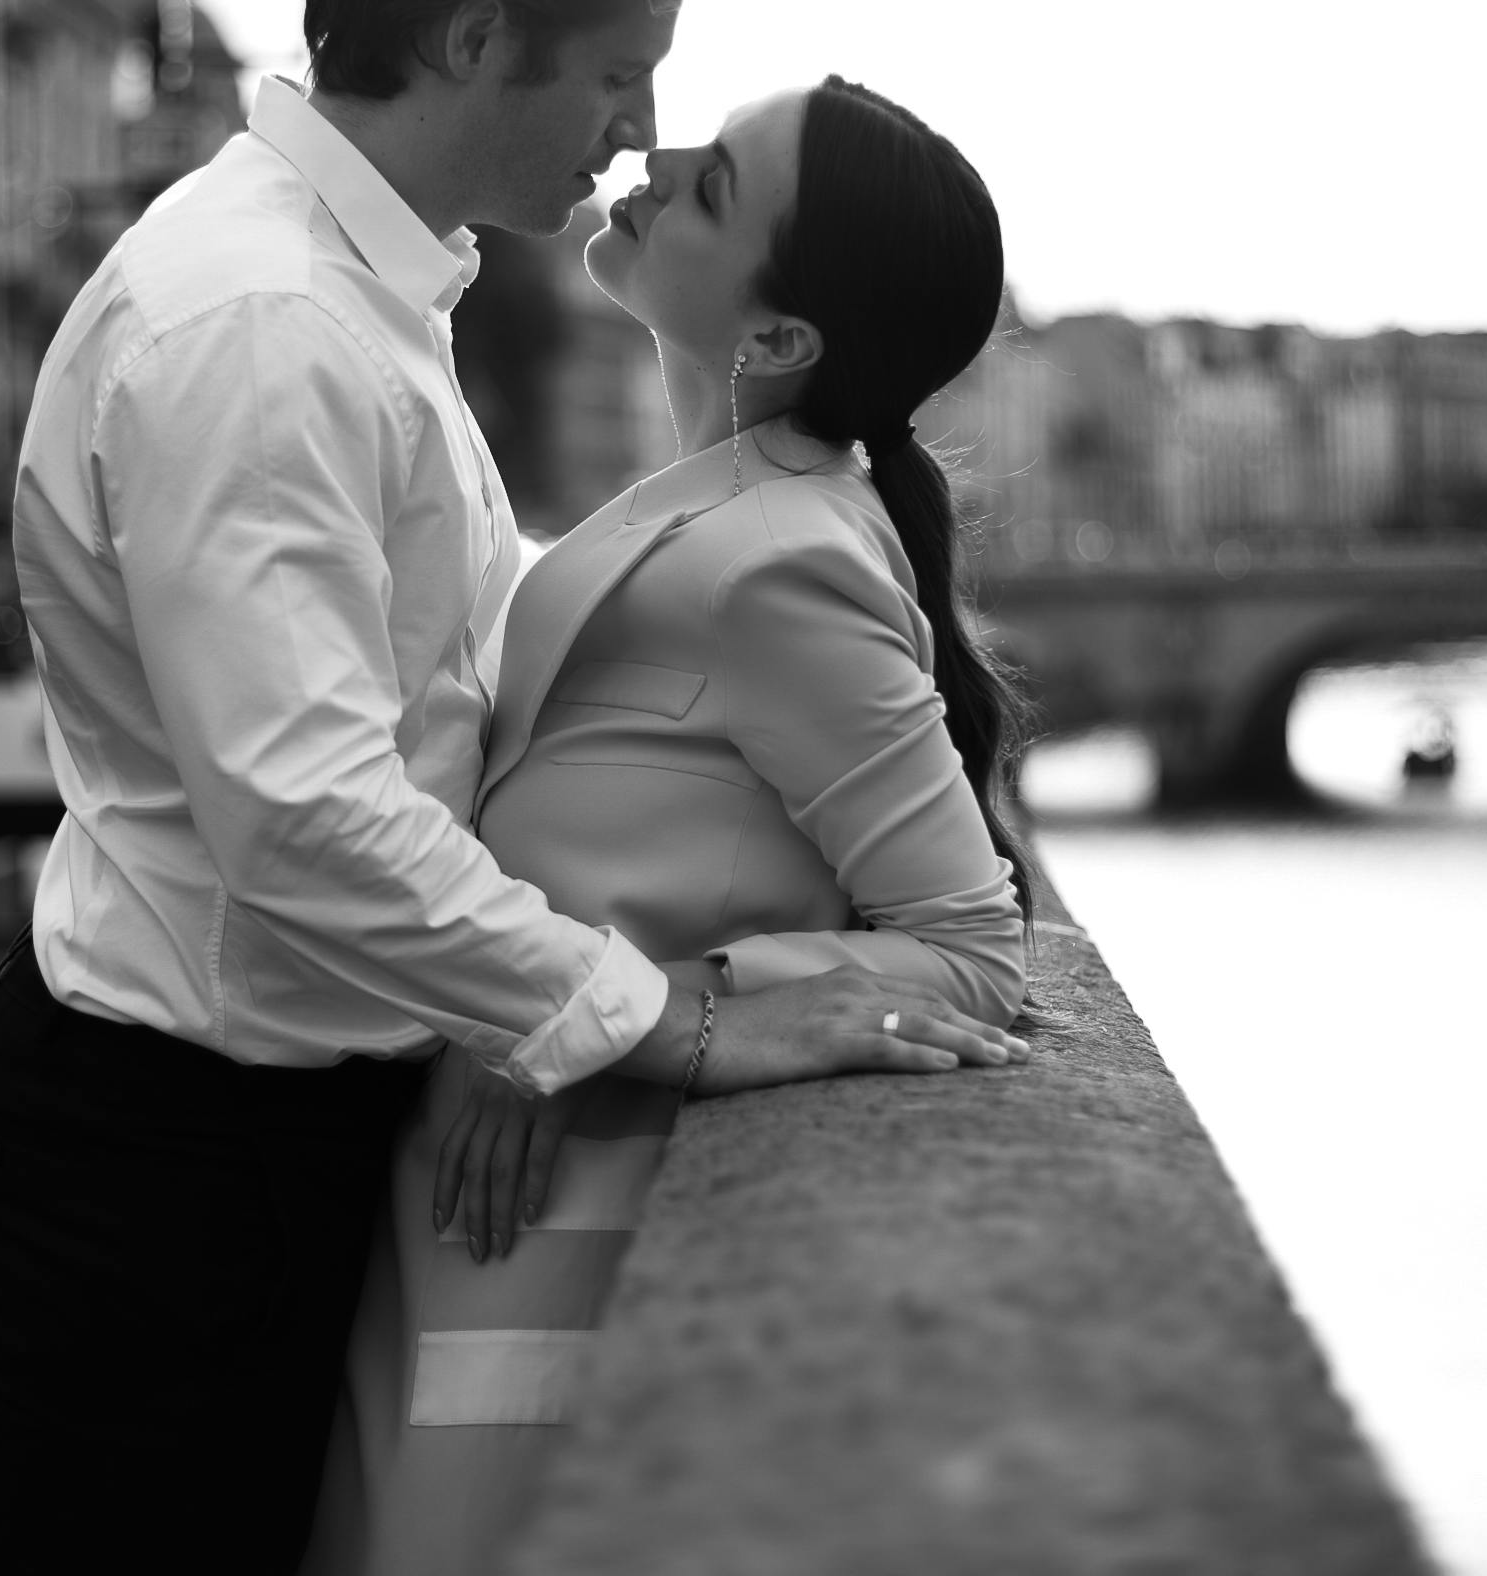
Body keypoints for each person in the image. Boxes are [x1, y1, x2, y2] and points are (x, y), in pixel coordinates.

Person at [0, 0, 1027, 1574]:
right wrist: (661, 1014)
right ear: (471, 34)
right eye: (618, 69)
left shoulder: (353, 291)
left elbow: (466, 668)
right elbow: (304, 816)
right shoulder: (268, 325)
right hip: (185, 1154)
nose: (637, 126)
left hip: (243, 1130)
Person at [305, 77, 1033, 1574]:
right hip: (499, 1198)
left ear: (775, 342)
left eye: (709, 184)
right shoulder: (727, 507)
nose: (654, 154)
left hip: (560, 1230)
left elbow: (968, 952)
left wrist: (629, 1011)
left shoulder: (782, 559)